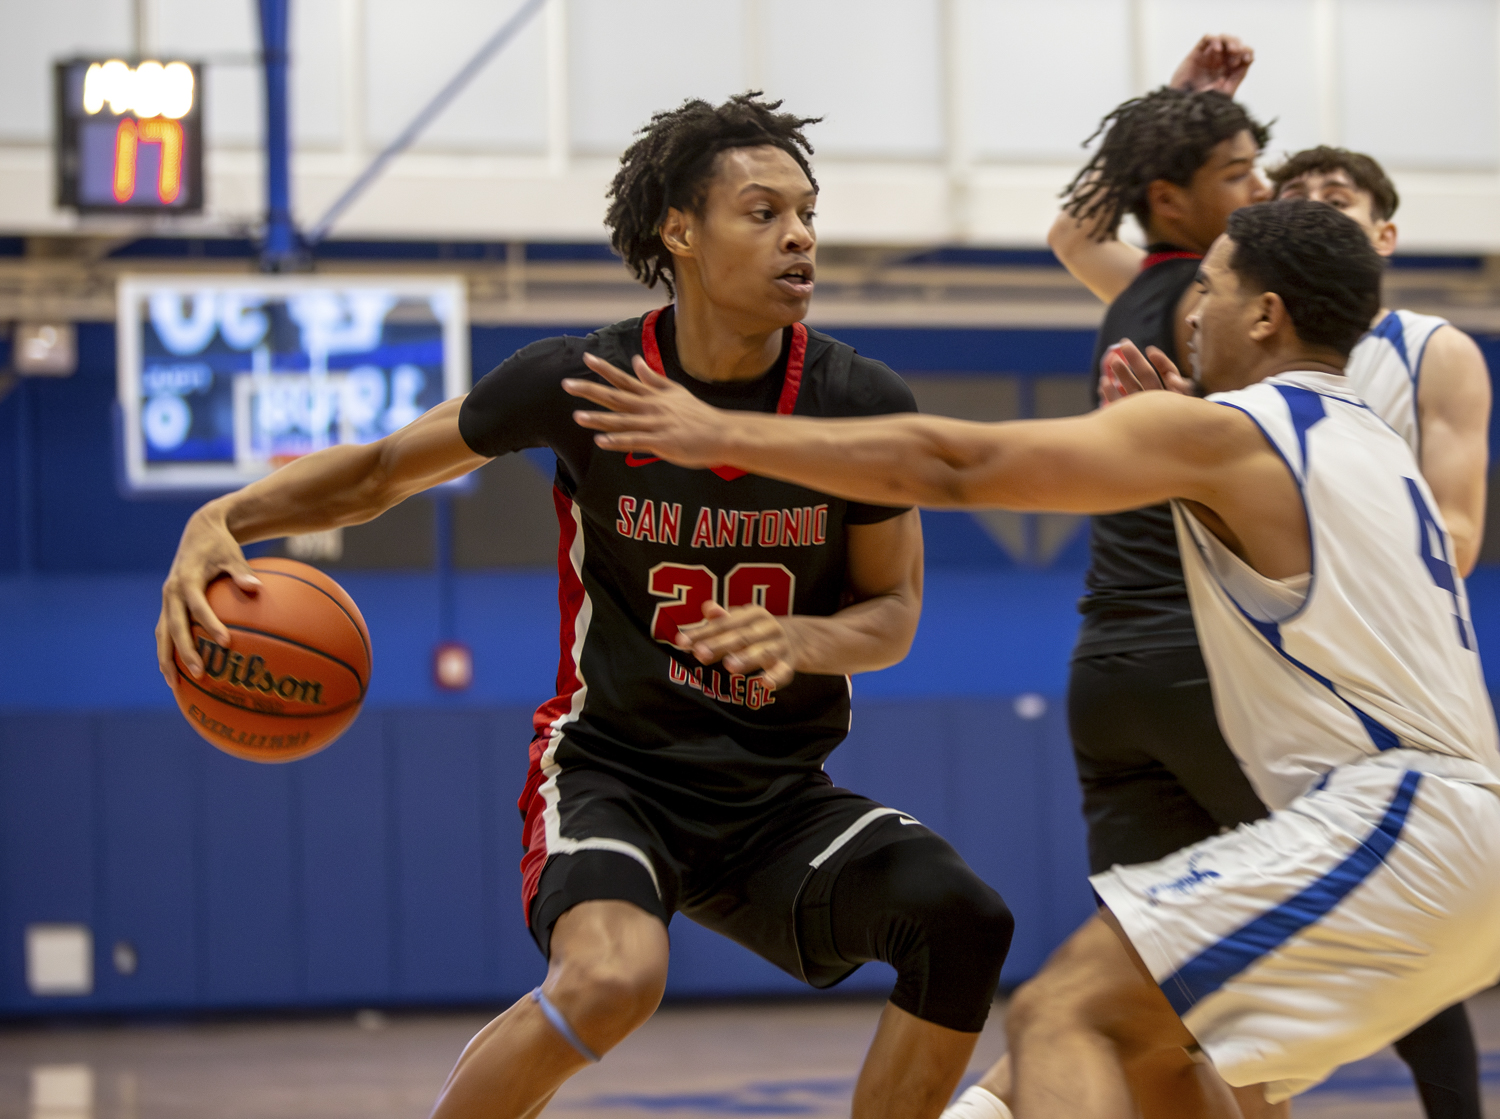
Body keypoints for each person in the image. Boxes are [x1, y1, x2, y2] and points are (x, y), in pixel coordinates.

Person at [155, 93, 1013, 1119]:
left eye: (808, 213)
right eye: (763, 210)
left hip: (774, 792)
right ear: (680, 230)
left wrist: (805, 636)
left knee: (962, 918)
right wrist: (228, 515)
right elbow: (383, 469)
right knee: (613, 978)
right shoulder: (583, 381)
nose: (799, 236)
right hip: (613, 770)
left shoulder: (857, 402)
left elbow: (896, 612)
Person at [565, 198, 1500, 1119]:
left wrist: (717, 431)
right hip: (1456, 836)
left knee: (1063, 1014)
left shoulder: (1235, 433)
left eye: (1209, 287)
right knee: (1153, 1046)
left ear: (1265, 314)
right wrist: (1183, 448)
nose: (1191, 307)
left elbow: (954, 466)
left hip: (1402, 825)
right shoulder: (1371, 443)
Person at [1042, 40, 1490, 1119]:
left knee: (1234, 971)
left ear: (1382, 241)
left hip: (1322, 667)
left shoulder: (1425, 350)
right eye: (1286, 191)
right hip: (1178, 642)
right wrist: (1176, 123)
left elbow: (1456, 532)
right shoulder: (1208, 311)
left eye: (1342, 199)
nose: (1302, 202)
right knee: (1173, 1000)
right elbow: (1077, 236)